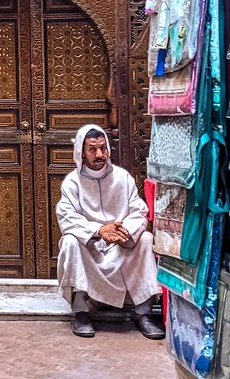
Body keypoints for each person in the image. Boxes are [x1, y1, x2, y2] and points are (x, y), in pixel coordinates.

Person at [56, 124, 165, 340]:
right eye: (92, 149)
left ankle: (142, 312)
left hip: (121, 246)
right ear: (81, 152)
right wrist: (99, 230)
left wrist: (125, 233)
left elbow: (138, 210)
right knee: (69, 241)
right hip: (92, 247)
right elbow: (67, 217)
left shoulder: (122, 178)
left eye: (103, 148)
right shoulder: (72, 183)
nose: (99, 154)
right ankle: (80, 311)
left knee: (145, 239)